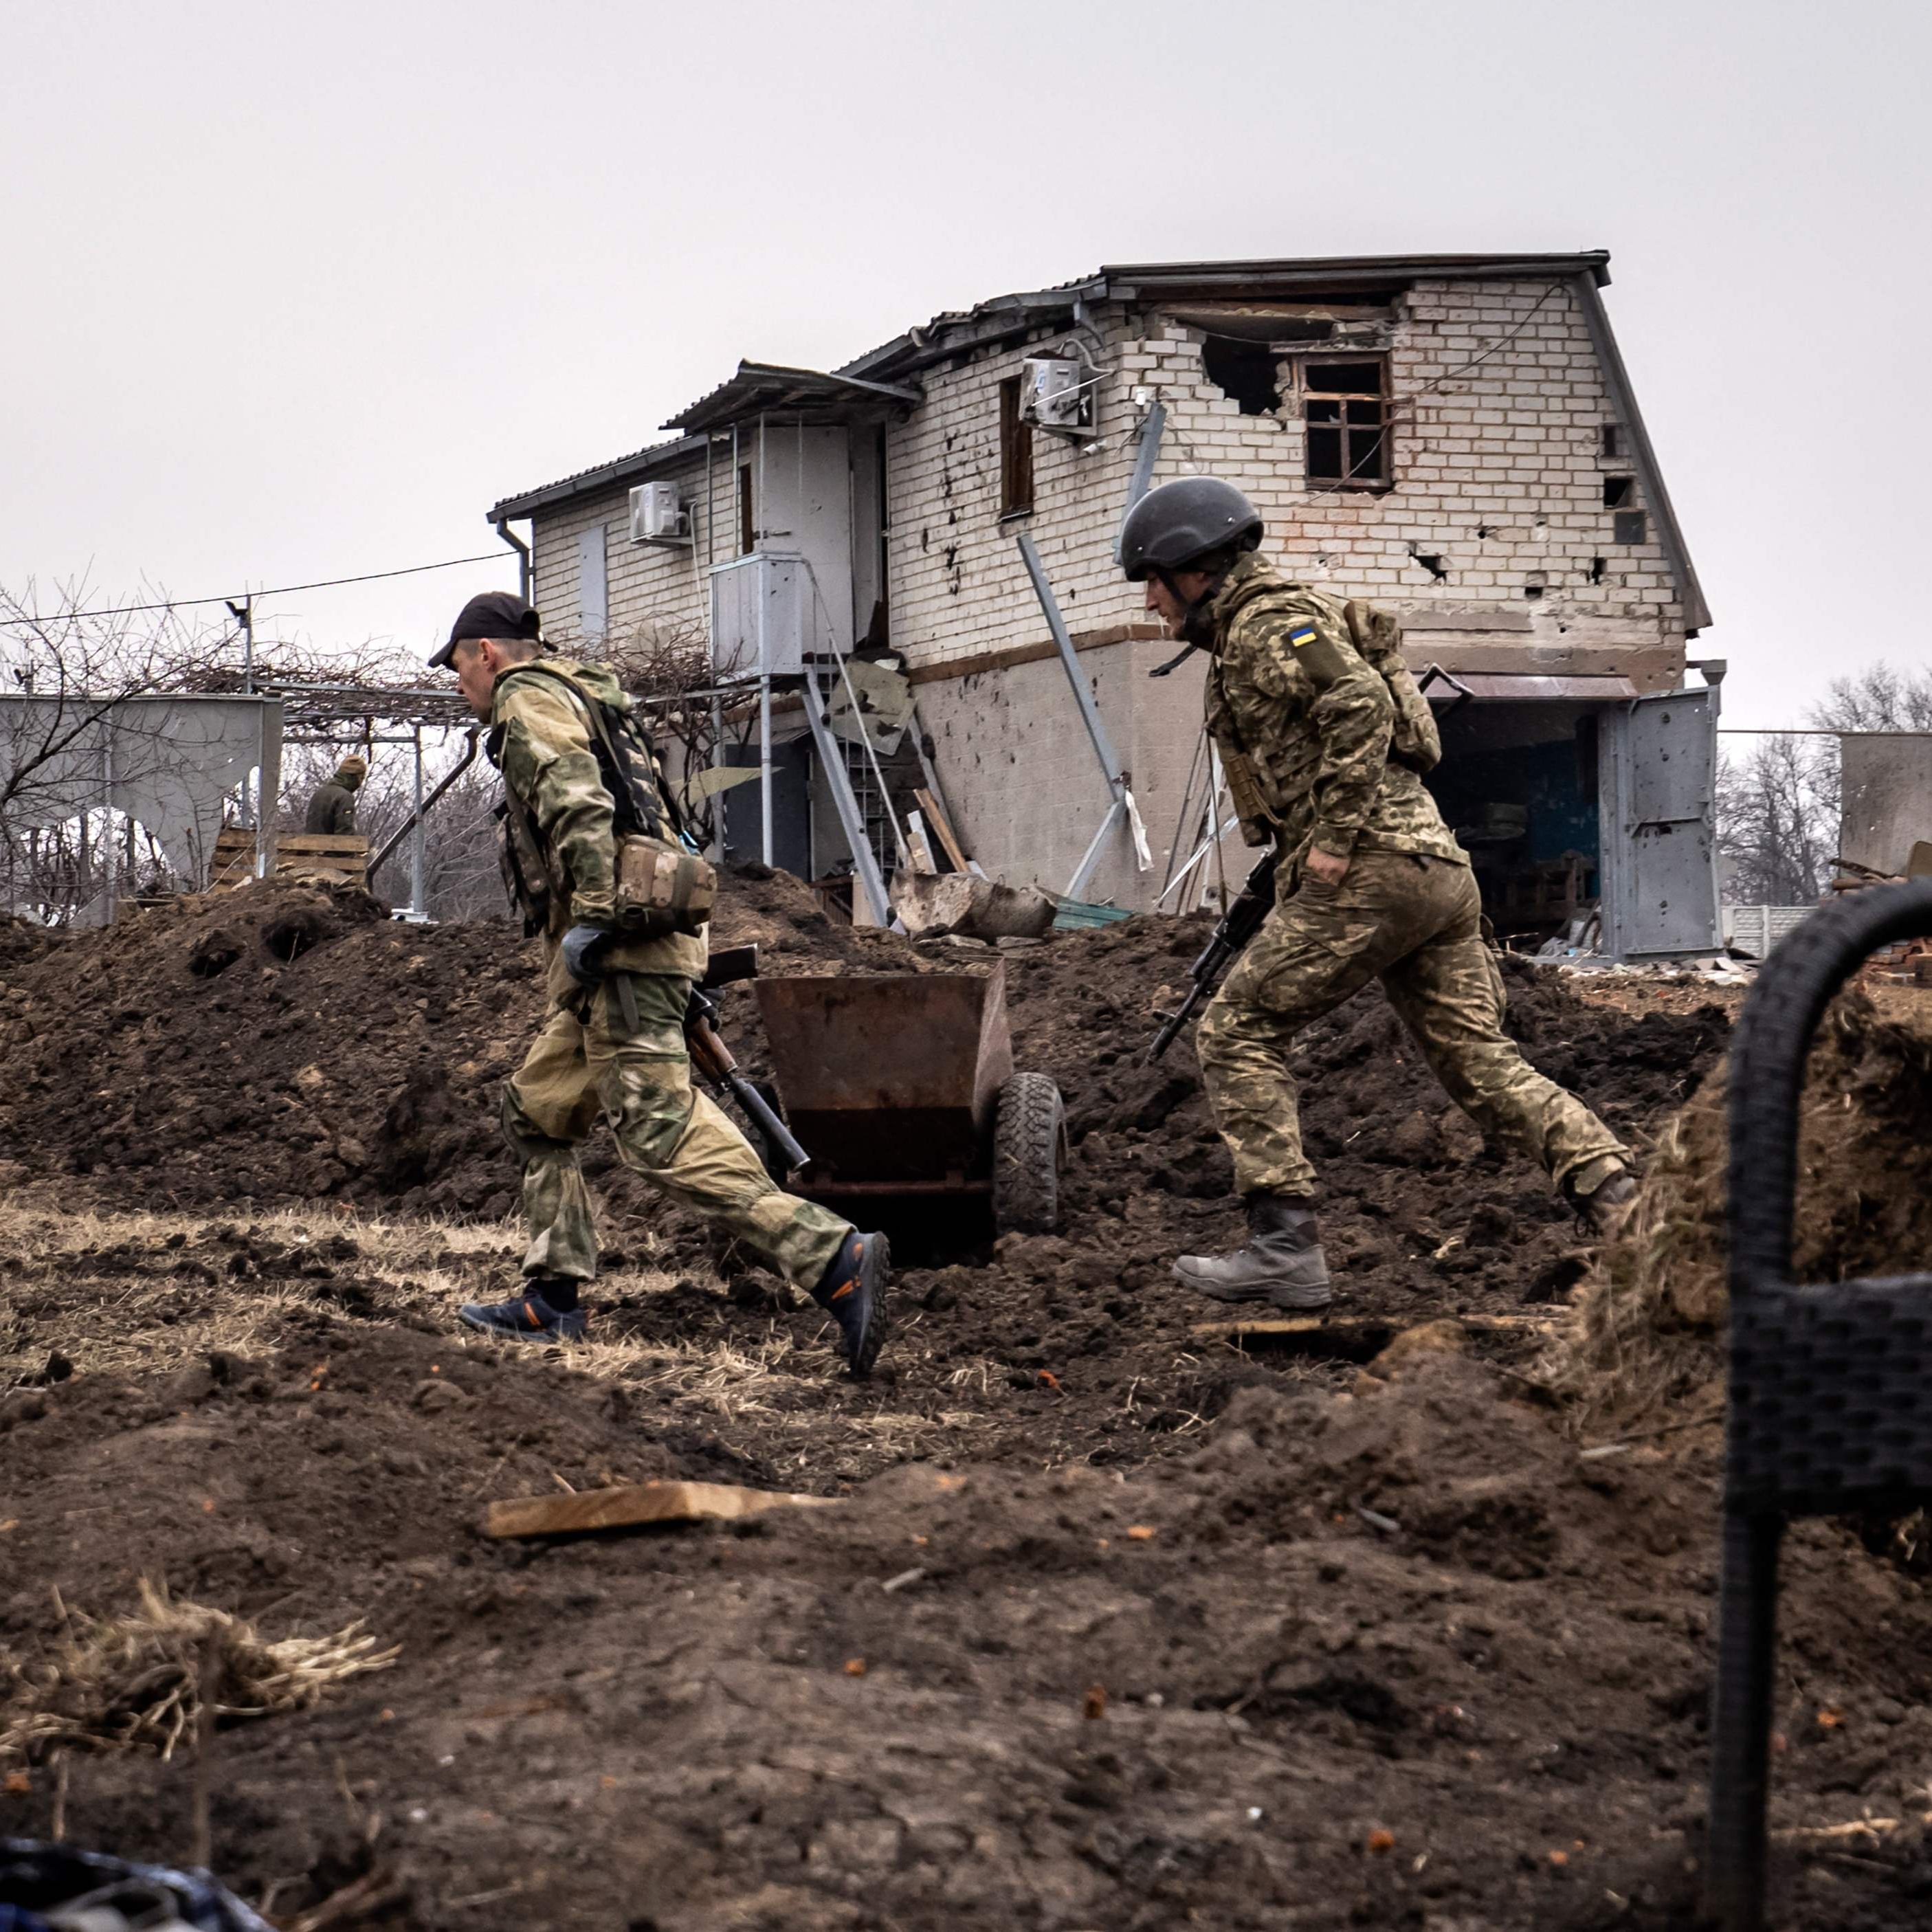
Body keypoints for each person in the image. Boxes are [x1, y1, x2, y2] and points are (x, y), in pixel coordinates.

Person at [1117, 478, 1637, 1311]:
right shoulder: (1282, 620)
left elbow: (1357, 704)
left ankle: (1283, 1245)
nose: (1149, 599)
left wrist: (1329, 839)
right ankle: (1622, 1205)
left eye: (1153, 578)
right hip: (1435, 872)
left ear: (1197, 567)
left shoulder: (1262, 625)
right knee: (1481, 1063)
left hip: (1374, 870)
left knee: (1238, 1029)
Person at [428, 590, 889, 1373]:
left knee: (661, 1136)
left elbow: (577, 798)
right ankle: (551, 1300)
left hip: (620, 949)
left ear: (488, 654)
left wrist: (600, 919)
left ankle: (833, 1260)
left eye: (459, 668)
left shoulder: (526, 698)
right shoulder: (587, 693)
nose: (461, 685)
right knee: (539, 1112)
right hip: (627, 949)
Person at [304, 754, 367, 834]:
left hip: (309, 844)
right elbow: (345, 831)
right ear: (357, 777)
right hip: (332, 845)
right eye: (362, 778)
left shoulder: (319, 793)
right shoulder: (345, 796)